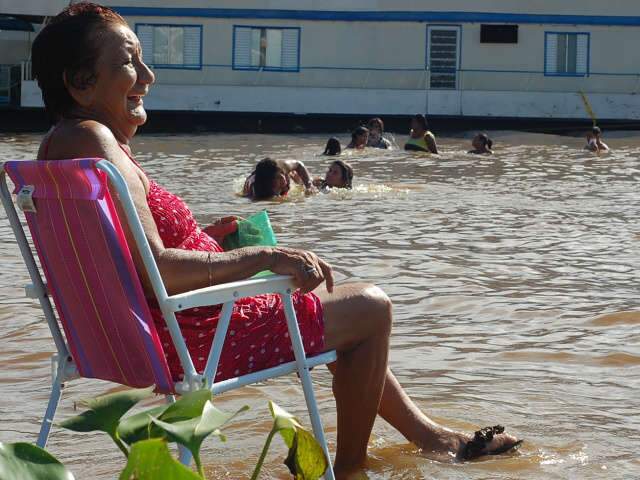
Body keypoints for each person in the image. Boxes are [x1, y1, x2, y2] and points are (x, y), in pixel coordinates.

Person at [31, 4, 521, 478]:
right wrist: (262, 254)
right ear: (80, 81)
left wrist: (210, 238)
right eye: (127, 63)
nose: (148, 75)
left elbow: (129, 253)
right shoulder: (96, 142)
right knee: (371, 306)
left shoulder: (58, 147)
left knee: (346, 316)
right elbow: (159, 270)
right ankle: (352, 469)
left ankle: (436, 439)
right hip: (192, 337)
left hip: (129, 336)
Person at [243, 157, 314, 200]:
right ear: (270, 182)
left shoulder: (283, 166)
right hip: (260, 182)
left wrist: (309, 186)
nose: (283, 179)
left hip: (266, 175)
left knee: (314, 183)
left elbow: (299, 164)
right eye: (278, 178)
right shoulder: (258, 191)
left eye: (282, 174)